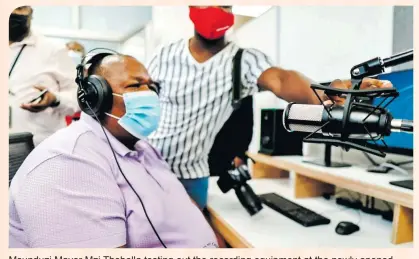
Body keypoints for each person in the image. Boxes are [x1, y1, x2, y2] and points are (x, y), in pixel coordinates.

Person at [146, 6, 393, 209]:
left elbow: (282, 79)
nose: (215, 9)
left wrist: (329, 91)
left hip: (193, 176)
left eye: (224, 5)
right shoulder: (163, 55)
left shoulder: (244, 61)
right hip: (147, 168)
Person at [9, 52, 219, 248]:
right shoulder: (68, 164)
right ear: (96, 97)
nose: (149, 95)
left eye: (152, 87)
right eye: (136, 86)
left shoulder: (142, 147)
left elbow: (183, 203)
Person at [9, 6, 79, 145]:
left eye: (20, 7)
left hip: (40, 147)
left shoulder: (52, 49)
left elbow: (78, 96)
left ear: (31, 10)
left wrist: (55, 100)